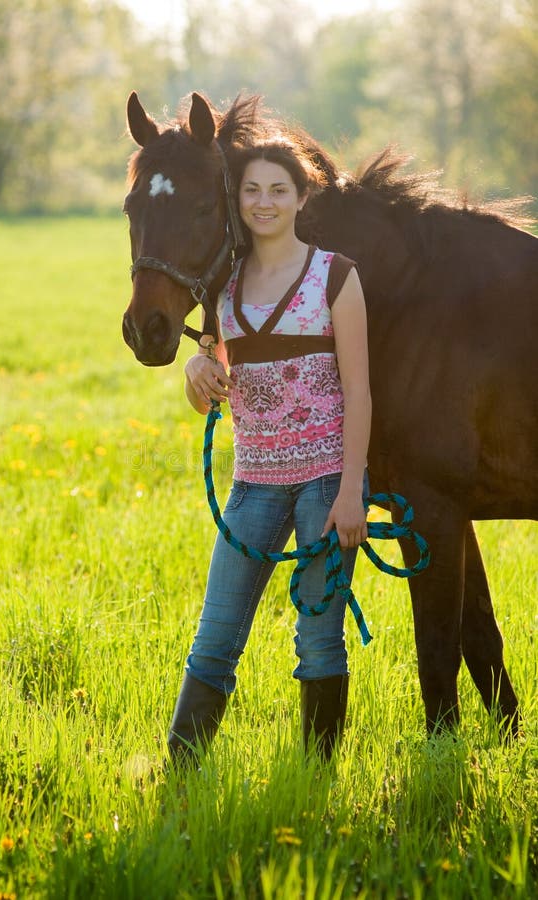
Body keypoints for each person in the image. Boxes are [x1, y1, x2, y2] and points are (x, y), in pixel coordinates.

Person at [168, 137, 372, 764]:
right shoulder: (222, 287)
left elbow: (360, 392)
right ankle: (181, 770)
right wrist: (192, 377)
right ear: (239, 200)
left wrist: (348, 495)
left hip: (326, 481)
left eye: (278, 190)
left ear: (301, 197)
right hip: (252, 483)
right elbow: (210, 384)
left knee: (319, 639)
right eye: (252, 190)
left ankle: (315, 778)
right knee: (215, 634)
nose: (264, 202)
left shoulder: (336, 275)